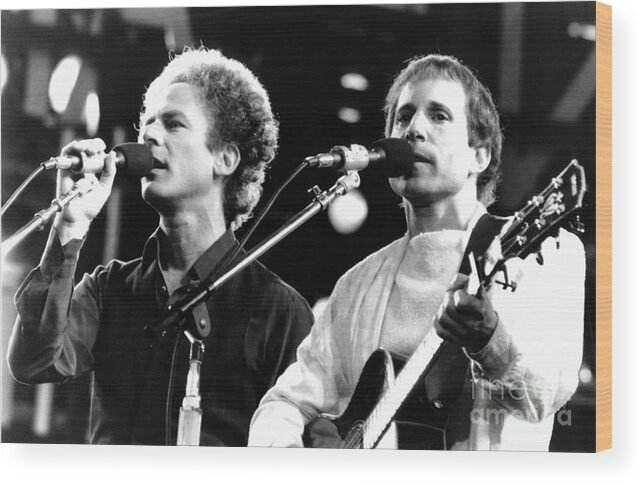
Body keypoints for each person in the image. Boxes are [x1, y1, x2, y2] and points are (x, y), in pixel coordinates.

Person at [247, 54, 586, 451]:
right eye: (404, 116)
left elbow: (544, 398)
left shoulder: (541, 254)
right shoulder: (355, 285)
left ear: (480, 155)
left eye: (439, 115)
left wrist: (490, 343)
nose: (414, 129)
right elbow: (283, 404)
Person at [7, 47, 314, 446]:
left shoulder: (279, 311)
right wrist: (70, 224)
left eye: (173, 124)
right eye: (147, 125)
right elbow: (33, 362)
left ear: (225, 158)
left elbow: (314, 447)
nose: (149, 136)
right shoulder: (108, 289)